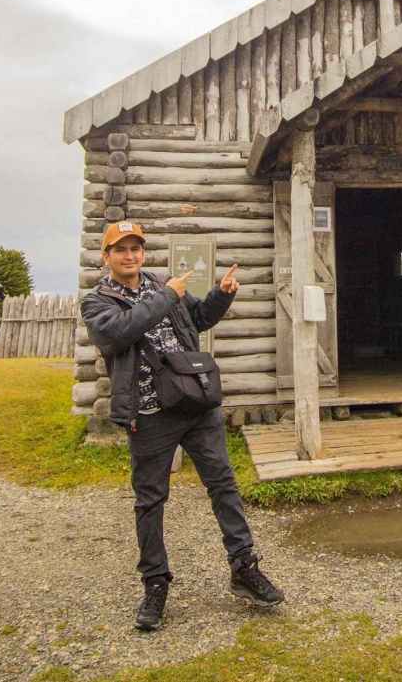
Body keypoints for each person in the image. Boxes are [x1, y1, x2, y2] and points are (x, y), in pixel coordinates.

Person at [80, 220, 285, 631]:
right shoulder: (96, 301)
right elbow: (118, 335)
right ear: (107, 258)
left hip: (195, 403)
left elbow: (198, 319)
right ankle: (155, 583)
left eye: (136, 247)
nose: (130, 255)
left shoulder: (161, 284)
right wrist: (166, 296)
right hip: (149, 415)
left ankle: (244, 568)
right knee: (150, 500)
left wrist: (221, 296)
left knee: (223, 484)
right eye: (121, 249)